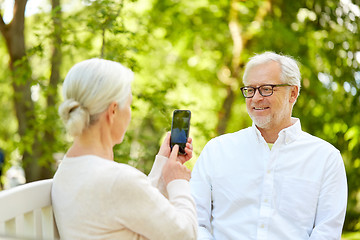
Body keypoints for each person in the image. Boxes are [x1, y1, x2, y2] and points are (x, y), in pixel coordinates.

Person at [190, 52, 347, 239]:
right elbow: (195, 222)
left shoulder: (326, 158)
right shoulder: (216, 151)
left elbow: (327, 232)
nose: (256, 98)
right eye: (250, 89)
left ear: (293, 93)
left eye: (266, 89)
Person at [51, 58, 197, 240]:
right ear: (113, 111)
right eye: (128, 105)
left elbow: (131, 202)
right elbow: (186, 235)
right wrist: (178, 181)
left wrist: (163, 163)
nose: (129, 113)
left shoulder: (67, 169)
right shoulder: (117, 180)